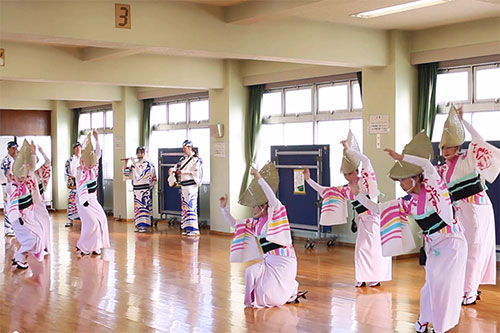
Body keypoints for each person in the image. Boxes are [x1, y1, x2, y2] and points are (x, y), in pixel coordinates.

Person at [351, 132, 467, 333]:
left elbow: (428, 167)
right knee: (430, 286)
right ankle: (423, 320)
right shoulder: (408, 202)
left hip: (453, 243)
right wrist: (358, 195)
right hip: (434, 247)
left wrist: (401, 157)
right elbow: (378, 209)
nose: (402, 185)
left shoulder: (433, 190)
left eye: (404, 180)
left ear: (416, 177)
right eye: (400, 182)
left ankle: (440, 326)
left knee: (444, 287)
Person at [303, 131, 391, 287]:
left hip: (375, 219)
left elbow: (366, 160)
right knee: (362, 249)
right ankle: (364, 277)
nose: (348, 177)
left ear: (356, 171)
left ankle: (373, 278)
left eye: (350, 173)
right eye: (345, 174)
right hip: (364, 221)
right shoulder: (346, 189)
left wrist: (348, 150)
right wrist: (309, 180)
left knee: (371, 249)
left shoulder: (366, 181)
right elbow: (325, 191)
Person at [437, 105, 500, 305]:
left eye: (449, 147)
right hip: (459, 212)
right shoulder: (442, 170)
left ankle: (470, 291)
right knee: (461, 250)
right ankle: (466, 287)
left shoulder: (468, 158)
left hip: (477, 210)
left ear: (458, 147)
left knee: (474, 249)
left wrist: (464, 122)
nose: (445, 151)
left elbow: (479, 141)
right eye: (443, 147)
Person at [220, 163, 307, 308]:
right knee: (250, 272)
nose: (253, 209)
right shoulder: (256, 223)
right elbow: (235, 224)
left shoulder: (277, 215)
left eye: (255, 206)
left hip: (284, 260)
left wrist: (259, 178)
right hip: (269, 261)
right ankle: (256, 300)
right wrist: (224, 209)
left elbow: (272, 198)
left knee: (268, 295)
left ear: (264, 206)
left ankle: (291, 291)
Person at [6, 140, 46, 269]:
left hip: (28, 216)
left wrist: (33, 154)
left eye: (24, 176)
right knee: (31, 240)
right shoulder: (13, 187)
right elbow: (12, 206)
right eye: (19, 177)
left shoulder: (25, 181)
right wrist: (18, 218)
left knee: (39, 235)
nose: (22, 179)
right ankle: (19, 256)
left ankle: (20, 258)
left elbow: (31, 169)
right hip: (19, 219)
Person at [75, 131, 110, 255]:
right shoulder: (80, 171)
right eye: (88, 162)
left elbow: (98, 153)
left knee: (102, 219)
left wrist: (97, 139)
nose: (91, 164)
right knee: (92, 223)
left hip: (93, 199)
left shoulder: (94, 168)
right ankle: (83, 246)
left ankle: (96, 245)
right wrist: (80, 159)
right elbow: (78, 176)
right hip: (82, 200)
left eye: (93, 162)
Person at [168, 140, 202, 236]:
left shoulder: (197, 159)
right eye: (183, 148)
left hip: (191, 185)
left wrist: (185, 172)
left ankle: (194, 229)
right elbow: (177, 167)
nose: (184, 150)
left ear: (190, 147)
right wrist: (173, 169)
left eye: (185, 148)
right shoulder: (183, 158)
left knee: (191, 206)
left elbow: (197, 172)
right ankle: (187, 228)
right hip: (184, 185)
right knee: (185, 207)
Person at [123, 146, 157, 233]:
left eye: (141, 152)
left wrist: (134, 162)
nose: (139, 154)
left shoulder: (148, 163)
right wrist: (126, 164)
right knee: (138, 207)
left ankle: (145, 225)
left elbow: (141, 174)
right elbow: (128, 174)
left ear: (145, 153)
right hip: (136, 188)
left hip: (144, 188)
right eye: (138, 152)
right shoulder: (136, 164)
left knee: (144, 206)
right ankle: (139, 225)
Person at [1, 141, 18, 237]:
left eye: (16, 148)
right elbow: (5, 174)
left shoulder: (16, 159)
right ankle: (8, 228)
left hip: (16, 185)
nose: (14, 150)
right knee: (8, 207)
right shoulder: (5, 161)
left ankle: (15, 227)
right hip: (7, 185)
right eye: (12, 148)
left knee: (15, 207)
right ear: (8, 149)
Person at [64, 142, 82, 227]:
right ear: (74, 149)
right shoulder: (70, 160)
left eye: (79, 147)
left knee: (82, 202)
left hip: (82, 183)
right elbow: (67, 171)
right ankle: (70, 220)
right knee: (72, 202)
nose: (78, 149)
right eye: (76, 148)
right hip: (74, 182)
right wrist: (73, 177)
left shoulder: (83, 159)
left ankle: (83, 219)